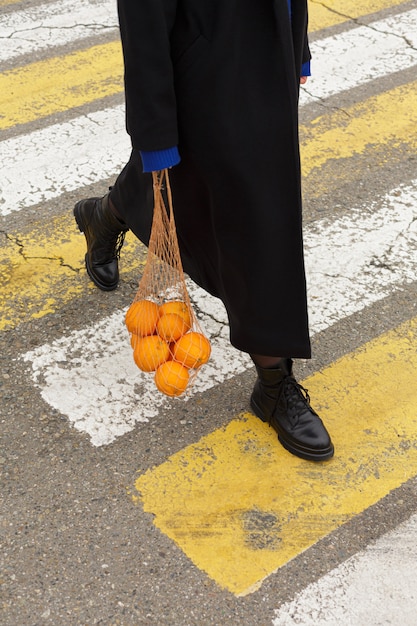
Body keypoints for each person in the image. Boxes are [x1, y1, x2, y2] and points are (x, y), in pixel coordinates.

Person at [74, 0, 334, 462]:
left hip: (267, 53)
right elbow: (143, 19)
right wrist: (153, 134)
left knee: (239, 197)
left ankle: (105, 215)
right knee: (251, 214)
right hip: (202, 68)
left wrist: (296, 41)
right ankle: (273, 381)